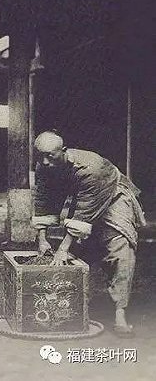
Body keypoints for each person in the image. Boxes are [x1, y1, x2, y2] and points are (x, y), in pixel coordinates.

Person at [32, 130, 146, 338]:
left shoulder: (91, 168)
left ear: (63, 151)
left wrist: (63, 248)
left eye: (50, 156)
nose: (45, 162)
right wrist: (42, 239)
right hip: (84, 198)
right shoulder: (43, 166)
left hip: (114, 198)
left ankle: (120, 311)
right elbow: (42, 199)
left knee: (119, 249)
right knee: (75, 251)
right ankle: (68, 304)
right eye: (40, 156)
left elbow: (84, 212)